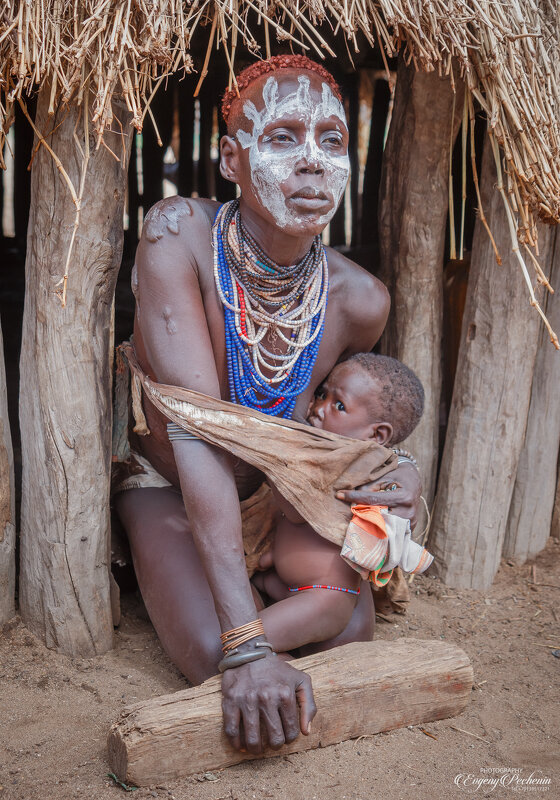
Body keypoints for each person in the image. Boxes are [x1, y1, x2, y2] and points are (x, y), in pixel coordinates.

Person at [113, 54, 421, 756]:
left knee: (352, 629)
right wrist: (248, 647)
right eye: (283, 137)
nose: (312, 163)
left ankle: (253, 595)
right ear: (231, 158)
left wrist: (397, 471)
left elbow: (340, 424)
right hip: (173, 480)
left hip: (278, 502)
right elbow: (200, 434)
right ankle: (242, 606)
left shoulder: (359, 300)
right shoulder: (177, 238)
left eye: (332, 143)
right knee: (210, 652)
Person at [252, 352, 431, 653]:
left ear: (377, 434)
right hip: (294, 589)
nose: (318, 408)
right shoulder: (329, 452)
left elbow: (296, 511)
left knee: (243, 644)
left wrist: (270, 454)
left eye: (338, 405)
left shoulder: (354, 465)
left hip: (325, 598)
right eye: (321, 395)